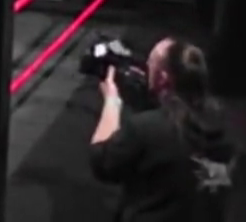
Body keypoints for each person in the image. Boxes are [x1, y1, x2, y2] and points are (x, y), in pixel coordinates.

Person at [91, 37, 234, 222]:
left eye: (150, 64)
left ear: (163, 78)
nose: (146, 68)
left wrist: (112, 102)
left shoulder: (147, 128)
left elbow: (101, 161)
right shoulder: (224, 130)